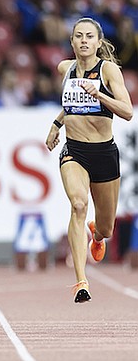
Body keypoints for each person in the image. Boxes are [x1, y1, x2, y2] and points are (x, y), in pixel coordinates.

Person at [45, 17, 133, 303]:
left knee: (107, 227)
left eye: (89, 37)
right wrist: (57, 125)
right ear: (71, 42)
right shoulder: (65, 68)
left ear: (98, 42)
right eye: (78, 36)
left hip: (104, 153)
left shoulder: (109, 71)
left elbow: (128, 111)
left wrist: (102, 94)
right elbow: (71, 106)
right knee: (78, 204)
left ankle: (96, 235)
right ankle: (81, 281)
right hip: (75, 151)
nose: (83, 41)